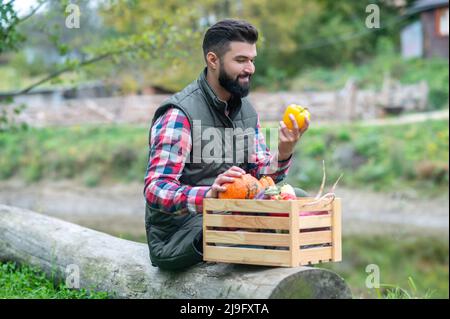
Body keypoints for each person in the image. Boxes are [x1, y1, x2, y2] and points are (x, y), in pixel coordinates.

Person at [143, 19, 309, 271]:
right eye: (241, 60)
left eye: (252, 60)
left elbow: (260, 180)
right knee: (258, 229)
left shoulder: (247, 112)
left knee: (299, 200)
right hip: (181, 232)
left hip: (230, 215)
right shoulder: (179, 113)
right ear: (213, 60)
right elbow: (156, 189)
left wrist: (284, 151)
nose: (250, 68)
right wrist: (209, 195)